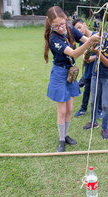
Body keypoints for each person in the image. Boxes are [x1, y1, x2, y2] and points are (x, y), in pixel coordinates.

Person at [44, 6, 100, 152]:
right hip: (59, 74)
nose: (61, 28)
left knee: (69, 109)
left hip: (71, 73)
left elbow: (86, 39)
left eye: (62, 23)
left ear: (66, 20)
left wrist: (96, 40)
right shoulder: (53, 38)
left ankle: (66, 135)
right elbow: (74, 53)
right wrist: (89, 43)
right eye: (56, 25)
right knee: (62, 111)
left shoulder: (69, 28)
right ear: (50, 24)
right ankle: (61, 140)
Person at [83, 17, 108, 140]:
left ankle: (104, 128)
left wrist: (97, 53)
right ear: (107, 28)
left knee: (105, 105)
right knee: (93, 101)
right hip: (96, 74)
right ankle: (93, 121)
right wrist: (90, 58)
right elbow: (96, 55)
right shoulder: (102, 37)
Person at [72, 18, 102, 118]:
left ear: (85, 24)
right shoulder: (82, 39)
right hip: (88, 70)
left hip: (97, 69)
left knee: (97, 90)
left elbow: (102, 53)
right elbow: (83, 54)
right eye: (77, 30)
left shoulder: (97, 35)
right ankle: (83, 108)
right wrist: (85, 58)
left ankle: (98, 110)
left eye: (80, 27)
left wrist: (92, 58)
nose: (79, 31)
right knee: (87, 90)